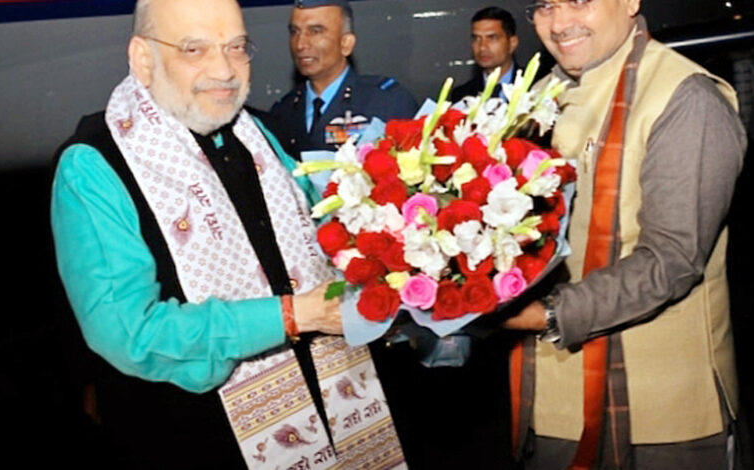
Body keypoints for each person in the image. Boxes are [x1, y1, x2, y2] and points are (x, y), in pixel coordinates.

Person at [50, 0, 404, 468]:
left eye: (236, 48)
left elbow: (324, 234)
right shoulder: (93, 165)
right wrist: (293, 316)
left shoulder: (260, 132)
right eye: (194, 49)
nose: (224, 70)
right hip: (190, 435)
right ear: (142, 58)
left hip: (332, 406)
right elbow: (129, 333)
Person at [503, 0, 746, 469]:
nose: (560, 23)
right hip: (548, 397)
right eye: (546, 6)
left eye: (579, 1)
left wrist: (542, 314)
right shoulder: (538, 97)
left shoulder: (686, 97)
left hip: (661, 415)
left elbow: (671, 261)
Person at [270, 0, 417, 159]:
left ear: (346, 44)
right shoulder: (282, 113)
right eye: (295, 32)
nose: (300, 44)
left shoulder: (387, 103)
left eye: (315, 31)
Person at [450, 6, 520, 102]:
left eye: (492, 38)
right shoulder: (462, 95)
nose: (482, 47)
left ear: (512, 43)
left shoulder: (536, 86)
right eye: (476, 39)